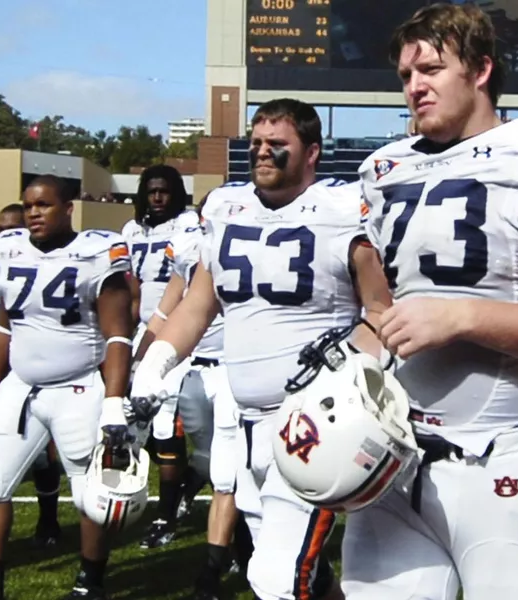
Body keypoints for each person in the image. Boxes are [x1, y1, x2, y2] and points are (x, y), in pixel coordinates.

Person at [350, 4, 518, 598]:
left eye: (430, 69)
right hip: (397, 457)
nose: (414, 87)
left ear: (480, 70)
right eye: (405, 76)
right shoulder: (385, 169)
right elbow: (387, 313)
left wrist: (464, 316)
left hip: (509, 457)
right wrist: (343, 381)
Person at [132, 98, 393, 600]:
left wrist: (346, 374)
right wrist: (155, 367)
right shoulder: (226, 208)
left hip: (314, 424)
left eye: (278, 145)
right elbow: (197, 306)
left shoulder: (344, 210)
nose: (263, 154)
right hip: (244, 419)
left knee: (275, 579)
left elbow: (381, 310)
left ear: (312, 152)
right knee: (302, 573)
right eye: (256, 144)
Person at [0, 175, 134, 599]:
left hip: (77, 388)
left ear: (69, 208)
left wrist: (113, 401)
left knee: (93, 496)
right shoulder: (8, 246)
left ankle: (91, 582)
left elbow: (118, 333)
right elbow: (4, 324)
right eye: (29, 205)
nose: (34, 212)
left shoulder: (95, 252)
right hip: (23, 388)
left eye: (44, 205)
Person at [134, 196, 241, 599]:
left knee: (231, 472)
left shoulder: (249, 240)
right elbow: (171, 306)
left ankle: (220, 561)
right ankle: (235, 544)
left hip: (238, 368)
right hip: (198, 365)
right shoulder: (187, 245)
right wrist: (143, 357)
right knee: (208, 459)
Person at [122, 165, 203, 549]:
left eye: (164, 191)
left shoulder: (189, 226)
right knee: (136, 418)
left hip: (184, 331)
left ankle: (167, 513)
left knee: (167, 422)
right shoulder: (132, 230)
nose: (157, 198)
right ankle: (186, 482)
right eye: (151, 191)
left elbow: (184, 287)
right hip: (147, 328)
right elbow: (133, 288)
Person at [0, 203, 63, 547]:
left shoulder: (41, 266)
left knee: (38, 450)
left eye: (12, 229)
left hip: (21, 366)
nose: (4, 237)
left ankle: (48, 520)